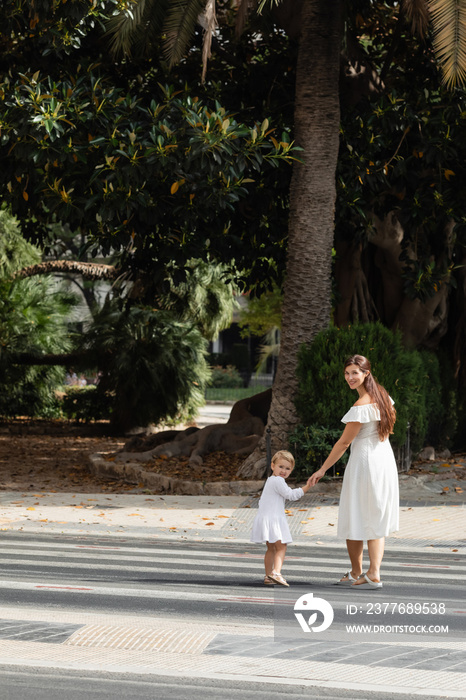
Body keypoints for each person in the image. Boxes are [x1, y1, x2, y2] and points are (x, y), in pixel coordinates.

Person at [309, 354, 399, 590]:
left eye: (355, 373)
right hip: (383, 460)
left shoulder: (361, 406)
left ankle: (371, 573)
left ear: (366, 374)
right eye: (347, 373)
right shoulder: (383, 396)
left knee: (355, 514)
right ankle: (360, 572)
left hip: (365, 462)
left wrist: (322, 469)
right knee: (373, 516)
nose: (350, 377)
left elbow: (343, 443)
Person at [251, 450, 314, 587]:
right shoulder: (278, 481)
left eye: (287, 468)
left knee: (271, 549)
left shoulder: (270, 480)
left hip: (266, 519)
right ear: (272, 466)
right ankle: (276, 573)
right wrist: (307, 487)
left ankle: (268, 575)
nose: (283, 471)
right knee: (281, 547)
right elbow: (291, 495)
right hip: (274, 520)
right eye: (281, 467)